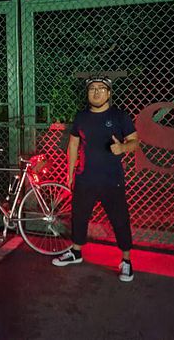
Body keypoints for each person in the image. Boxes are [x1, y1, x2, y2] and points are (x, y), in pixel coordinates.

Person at [52, 75, 139, 282]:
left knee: (120, 220)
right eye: (92, 89)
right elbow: (74, 144)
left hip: (111, 180)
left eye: (101, 88)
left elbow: (135, 142)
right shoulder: (81, 117)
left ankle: (126, 260)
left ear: (109, 93)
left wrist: (122, 148)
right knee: (79, 217)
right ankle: (76, 252)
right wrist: (70, 173)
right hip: (85, 178)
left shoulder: (119, 116)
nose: (96, 92)